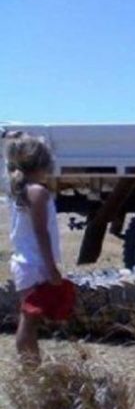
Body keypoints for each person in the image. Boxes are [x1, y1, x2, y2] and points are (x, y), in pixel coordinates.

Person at [3, 129, 64, 367]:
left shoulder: (19, 189)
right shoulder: (38, 192)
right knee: (28, 320)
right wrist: (51, 268)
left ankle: (31, 365)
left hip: (25, 262)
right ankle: (31, 369)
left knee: (30, 318)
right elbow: (41, 232)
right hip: (34, 264)